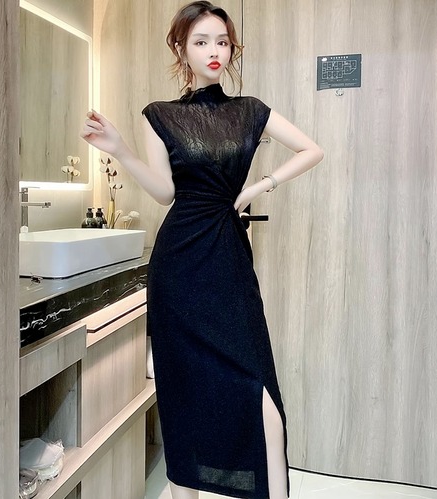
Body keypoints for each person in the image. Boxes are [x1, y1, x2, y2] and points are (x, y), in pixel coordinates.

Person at [81, 2, 323, 498]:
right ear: (181, 48)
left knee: (258, 387)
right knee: (183, 391)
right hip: (178, 263)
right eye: (201, 41)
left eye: (222, 41)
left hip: (227, 256)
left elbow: (311, 149)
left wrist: (259, 187)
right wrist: (121, 149)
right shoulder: (160, 115)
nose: (215, 50)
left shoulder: (250, 110)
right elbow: (164, 193)